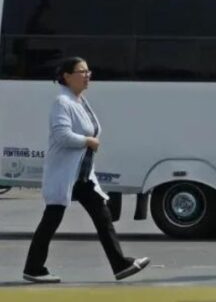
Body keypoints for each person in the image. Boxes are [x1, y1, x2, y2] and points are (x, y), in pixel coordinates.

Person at [23, 58, 150, 283]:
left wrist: (89, 142)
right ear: (66, 76)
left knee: (103, 216)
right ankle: (33, 268)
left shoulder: (79, 101)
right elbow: (62, 136)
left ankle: (120, 264)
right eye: (81, 72)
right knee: (51, 220)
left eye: (88, 71)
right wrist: (88, 141)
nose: (87, 75)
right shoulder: (62, 102)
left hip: (82, 176)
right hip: (65, 175)